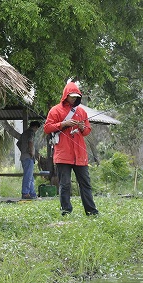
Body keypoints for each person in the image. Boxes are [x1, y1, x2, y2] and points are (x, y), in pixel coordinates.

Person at [43, 81, 99, 216]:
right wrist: (64, 124)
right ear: (65, 95)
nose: (74, 99)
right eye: (72, 96)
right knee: (65, 185)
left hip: (80, 155)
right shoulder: (55, 110)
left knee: (85, 184)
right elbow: (47, 128)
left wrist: (82, 127)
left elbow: (87, 131)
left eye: (76, 96)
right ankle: (66, 211)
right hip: (63, 154)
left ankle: (92, 212)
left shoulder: (81, 111)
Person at [19, 121, 41, 199]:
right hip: (28, 157)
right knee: (28, 176)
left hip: (23, 157)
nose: (36, 130)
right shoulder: (31, 132)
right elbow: (30, 142)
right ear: (35, 127)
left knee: (30, 176)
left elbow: (18, 143)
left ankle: (32, 194)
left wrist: (23, 151)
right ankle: (25, 193)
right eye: (37, 129)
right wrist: (31, 152)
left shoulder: (24, 133)